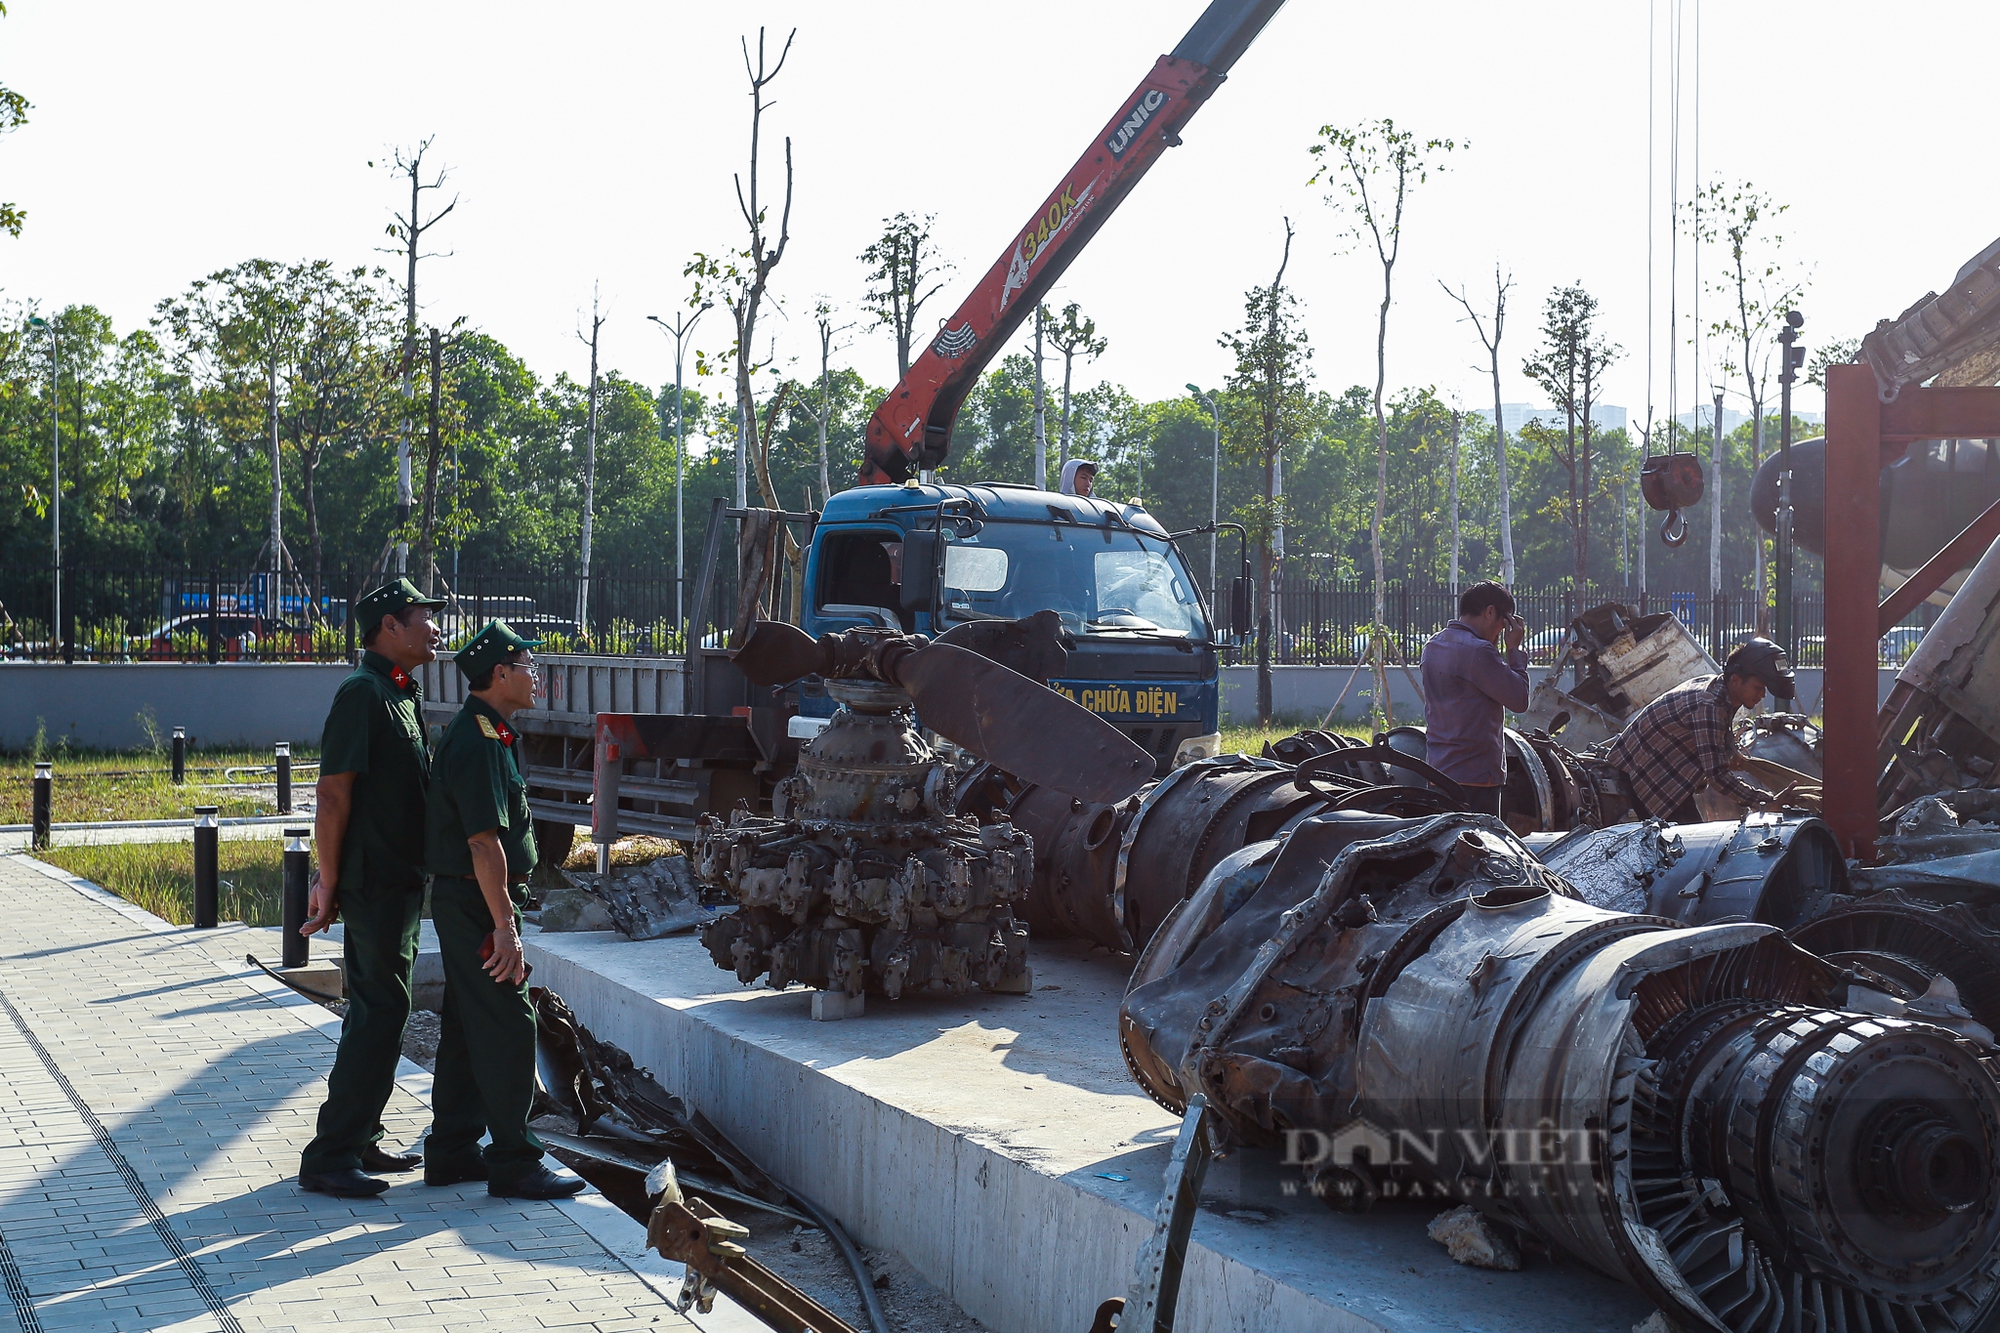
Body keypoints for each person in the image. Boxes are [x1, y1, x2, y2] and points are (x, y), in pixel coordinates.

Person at [422, 621, 584, 1200]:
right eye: (527, 666)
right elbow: (483, 844)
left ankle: (451, 1151)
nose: (535, 676)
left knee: (468, 1027)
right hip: (475, 901)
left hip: (473, 899)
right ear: (500, 675)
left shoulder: (490, 734)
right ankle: (515, 1159)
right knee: (512, 1022)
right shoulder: (478, 741)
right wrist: (504, 926)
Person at [297, 577, 447, 1199]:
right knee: (379, 1012)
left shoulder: (398, 695)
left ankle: (359, 1137)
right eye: (423, 616)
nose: (435, 627)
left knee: (381, 1010)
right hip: (374, 883)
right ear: (389, 626)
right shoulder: (362, 694)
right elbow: (332, 795)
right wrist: (326, 882)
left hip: (399, 881)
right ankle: (330, 1152)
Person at [1600, 637, 1795, 824]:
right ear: (1735, 680)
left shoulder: (1719, 688)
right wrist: (1765, 802)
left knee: (1693, 839)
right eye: (1758, 687)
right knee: (1683, 849)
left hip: (1663, 771)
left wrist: (1730, 751)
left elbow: (1716, 740)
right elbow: (1718, 777)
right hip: (1644, 775)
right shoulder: (1709, 707)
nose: (1762, 695)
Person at [1418, 581, 1529, 818]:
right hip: (1477, 776)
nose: (1501, 631)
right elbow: (1519, 700)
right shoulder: (1478, 651)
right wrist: (1514, 650)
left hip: (1439, 771)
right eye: (1503, 624)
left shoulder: (1433, 645)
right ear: (1490, 612)